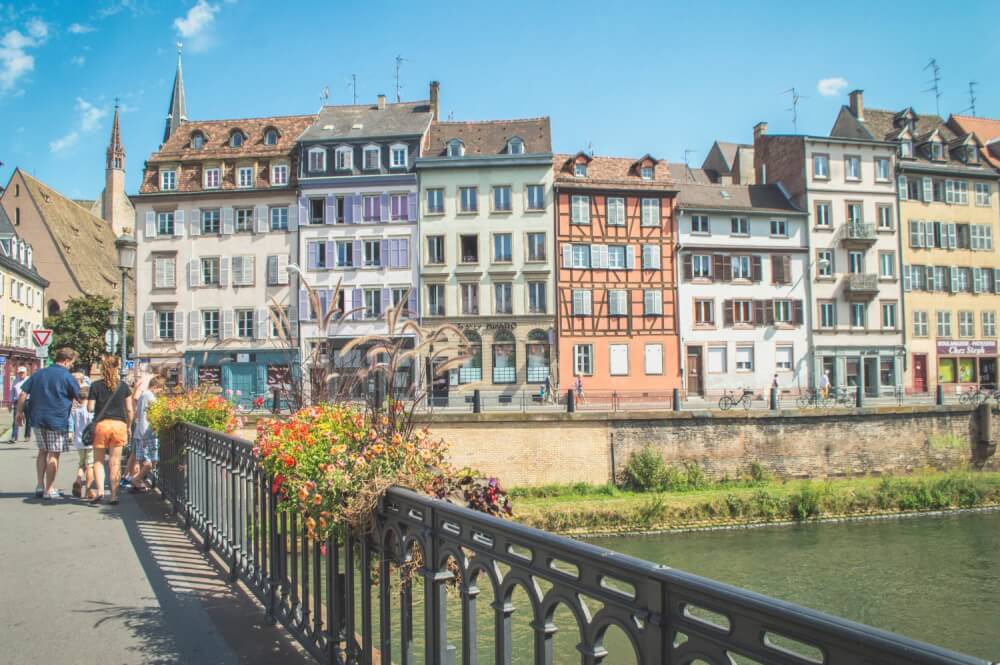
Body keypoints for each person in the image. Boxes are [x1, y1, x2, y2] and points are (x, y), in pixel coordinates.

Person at [15, 348, 81, 499]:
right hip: (57, 419)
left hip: (37, 418)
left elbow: (23, 393)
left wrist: (19, 412)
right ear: (66, 361)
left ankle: (39, 485)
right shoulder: (67, 377)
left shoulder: (39, 373)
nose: (71, 366)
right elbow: (80, 396)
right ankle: (49, 489)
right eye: (71, 363)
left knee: (42, 451)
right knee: (54, 454)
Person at [88, 355, 133, 505]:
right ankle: (113, 495)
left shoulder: (95, 386)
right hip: (119, 425)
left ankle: (100, 491)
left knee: (98, 461)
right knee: (115, 462)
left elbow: (90, 408)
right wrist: (128, 426)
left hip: (102, 425)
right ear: (117, 368)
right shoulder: (123, 386)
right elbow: (129, 410)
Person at [130, 376, 164, 492]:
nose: (161, 392)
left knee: (143, 460)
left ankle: (139, 481)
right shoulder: (150, 397)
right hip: (147, 432)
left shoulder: (143, 396)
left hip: (140, 431)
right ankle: (137, 479)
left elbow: (138, 414)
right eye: (160, 389)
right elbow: (154, 414)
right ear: (155, 387)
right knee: (151, 461)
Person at [70, 380, 95, 500]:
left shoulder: (76, 411)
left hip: (79, 441)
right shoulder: (90, 411)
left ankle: (78, 480)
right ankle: (89, 490)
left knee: (81, 464)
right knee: (90, 465)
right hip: (90, 442)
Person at [8, 366, 31, 442]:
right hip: (17, 401)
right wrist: (10, 402)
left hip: (27, 401)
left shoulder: (29, 379)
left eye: (22, 373)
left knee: (28, 419)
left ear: (26, 373)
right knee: (16, 418)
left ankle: (27, 436)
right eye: (20, 373)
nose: (21, 374)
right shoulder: (15, 380)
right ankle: (14, 437)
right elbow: (12, 392)